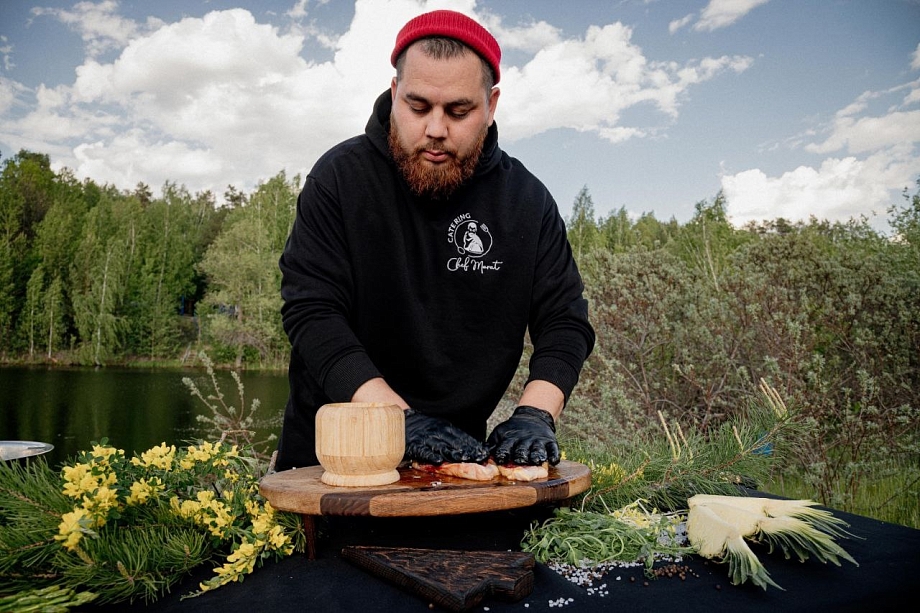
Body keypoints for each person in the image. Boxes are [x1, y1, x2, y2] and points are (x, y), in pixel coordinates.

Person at [274, 9, 595, 473]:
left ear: (491, 105)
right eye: (418, 106)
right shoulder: (339, 179)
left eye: (459, 111)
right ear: (394, 93)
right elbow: (312, 312)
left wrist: (535, 413)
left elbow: (565, 322)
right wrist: (395, 419)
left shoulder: (527, 201)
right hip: (331, 464)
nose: (436, 129)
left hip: (459, 460)